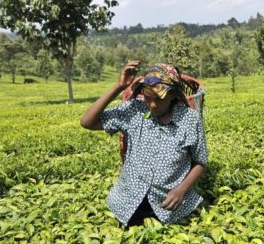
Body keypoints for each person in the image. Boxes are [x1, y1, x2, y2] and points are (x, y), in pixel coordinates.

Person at [80, 61, 208, 227]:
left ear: (173, 95)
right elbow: (87, 122)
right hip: (127, 203)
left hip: (169, 206)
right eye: (148, 98)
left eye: (159, 99)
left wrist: (182, 190)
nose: (152, 105)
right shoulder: (134, 110)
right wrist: (119, 87)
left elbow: (200, 162)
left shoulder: (190, 120)